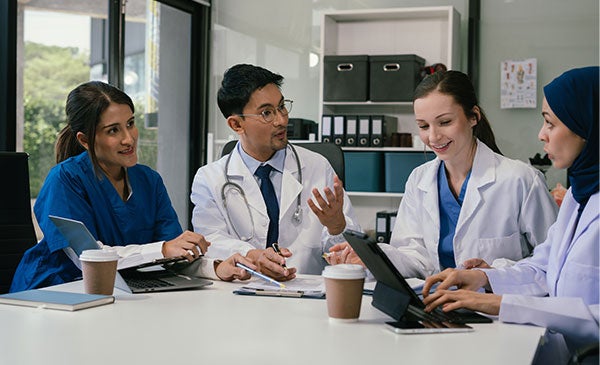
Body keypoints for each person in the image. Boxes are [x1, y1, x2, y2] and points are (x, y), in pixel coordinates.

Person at [421, 66, 599, 362]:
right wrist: (481, 278)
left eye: (550, 124)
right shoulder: (578, 198)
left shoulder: (525, 180)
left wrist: (502, 303)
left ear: (588, 124)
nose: (541, 135)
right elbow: (543, 268)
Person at [10, 81, 253, 292]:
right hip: (54, 293)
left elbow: (173, 254)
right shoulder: (65, 180)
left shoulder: (149, 181)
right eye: (113, 130)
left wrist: (217, 267)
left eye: (130, 123)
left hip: (122, 292)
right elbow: (89, 257)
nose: (129, 138)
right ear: (85, 140)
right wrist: (164, 249)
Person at [327, 70, 558, 279]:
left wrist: (496, 275)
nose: (434, 137)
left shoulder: (521, 180)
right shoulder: (419, 180)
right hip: (437, 305)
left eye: (445, 122)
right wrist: (372, 257)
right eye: (424, 126)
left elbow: (555, 261)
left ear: (473, 117)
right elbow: (413, 257)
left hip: (498, 311)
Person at [190, 64, 361, 280]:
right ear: (236, 124)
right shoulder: (210, 179)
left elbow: (351, 252)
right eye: (267, 113)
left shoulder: (318, 166)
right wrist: (251, 255)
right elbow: (210, 242)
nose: (281, 120)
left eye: (281, 107)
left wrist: (337, 226)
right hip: (240, 296)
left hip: (307, 294)